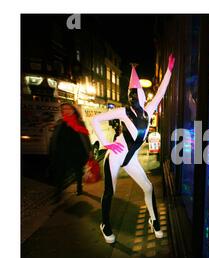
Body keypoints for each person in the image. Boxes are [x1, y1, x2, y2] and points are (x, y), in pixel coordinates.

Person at [91, 54, 175, 244]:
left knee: (148, 187)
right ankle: (104, 223)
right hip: (115, 157)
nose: (140, 96)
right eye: (136, 93)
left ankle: (154, 221)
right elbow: (95, 119)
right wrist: (106, 143)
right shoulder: (123, 112)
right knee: (109, 191)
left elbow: (161, 92)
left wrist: (169, 71)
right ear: (132, 96)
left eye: (140, 93)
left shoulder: (149, 111)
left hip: (131, 159)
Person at [49, 103, 91, 202]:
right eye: (64, 109)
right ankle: (58, 194)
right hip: (62, 152)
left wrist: (89, 150)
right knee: (59, 173)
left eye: (69, 108)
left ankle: (79, 188)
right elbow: (55, 138)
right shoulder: (60, 122)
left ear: (74, 110)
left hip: (76, 152)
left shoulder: (79, 123)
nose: (66, 110)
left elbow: (85, 137)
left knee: (78, 171)